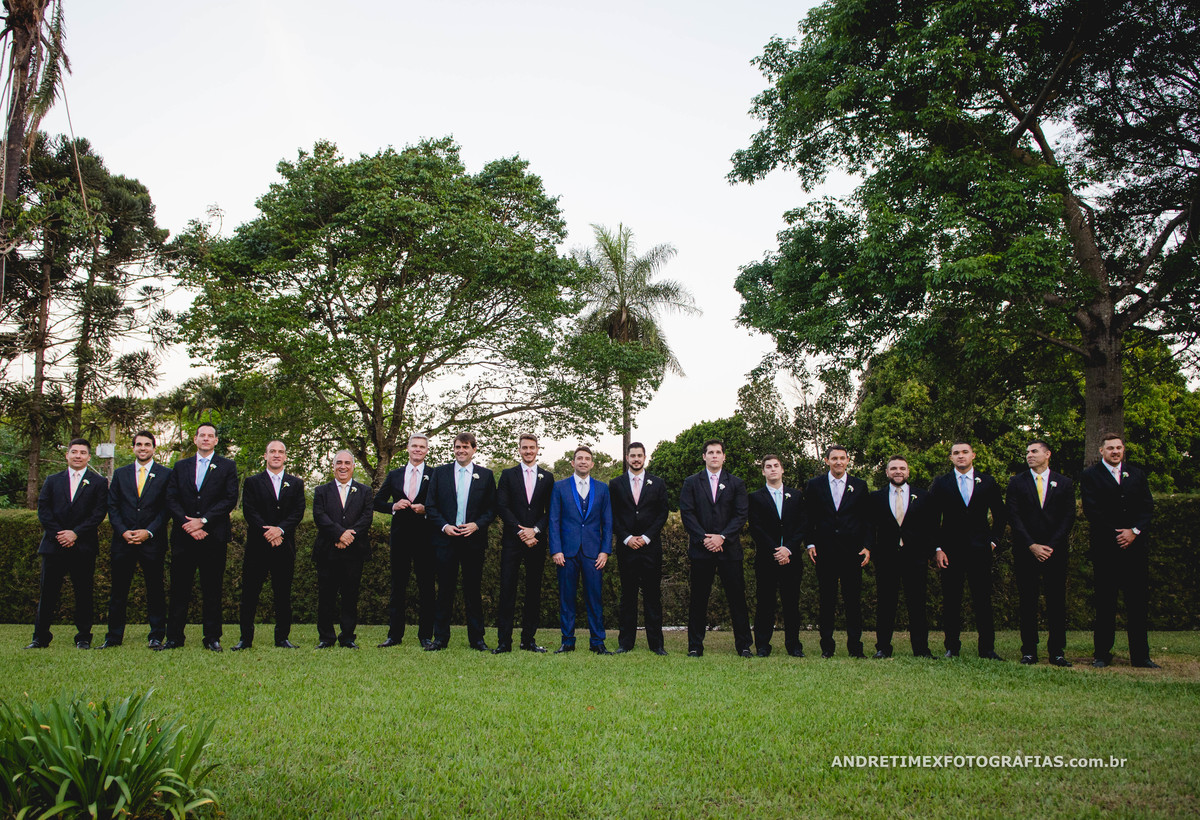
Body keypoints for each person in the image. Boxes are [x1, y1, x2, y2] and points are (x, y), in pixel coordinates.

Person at [1081, 433, 1158, 669]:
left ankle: (1140, 656)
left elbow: (1147, 507)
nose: (1115, 451)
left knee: (1137, 603)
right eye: (1110, 448)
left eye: (1119, 447)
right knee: (1105, 602)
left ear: (1123, 450)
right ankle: (1102, 654)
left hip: (1135, 549)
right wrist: (1117, 533)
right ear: (1101, 452)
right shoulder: (1090, 476)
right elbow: (1092, 510)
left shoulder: (1136, 474)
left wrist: (1133, 531)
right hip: (1107, 548)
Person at [162, 422, 239, 652]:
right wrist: (188, 524)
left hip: (213, 536)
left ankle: (212, 637)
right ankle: (174, 637)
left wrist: (204, 521)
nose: (206, 439)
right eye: (202, 435)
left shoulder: (227, 466)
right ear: (195, 439)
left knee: (212, 589)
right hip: (184, 536)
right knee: (179, 589)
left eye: (210, 436)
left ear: (216, 441)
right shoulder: (180, 466)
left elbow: (229, 499)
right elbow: (171, 498)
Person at [28, 438, 108, 649]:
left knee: (83, 593)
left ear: (88, 457)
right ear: (67, 455)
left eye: (82, 452)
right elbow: (43, 510)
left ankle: (83, 637)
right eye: (74, 452)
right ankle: (40, 637)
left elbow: (99, 513)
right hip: (53, 546)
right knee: (48, 593)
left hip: (83, 546)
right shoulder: (52, 480)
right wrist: (60, 534)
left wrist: (76, 534)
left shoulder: (98, 482)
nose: (78, 455)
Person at [930, 441, 1006, 660]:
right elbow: (933, 519)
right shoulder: (941, 483)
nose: (960, 456)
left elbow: (1000, 515)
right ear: (951, 458)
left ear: (973, 455)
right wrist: (937, 548)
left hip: (979, 550)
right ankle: (952, 647)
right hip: (950, 552)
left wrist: (993, 541)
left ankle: (987, 649)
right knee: (951, 601)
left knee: (983, 600)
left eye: (964, 452)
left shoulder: (988, 482)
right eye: (956, 453)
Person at [1007, 440, 1076, 667]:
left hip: (1054, 552)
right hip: (1027, 552)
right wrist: (1032, 545)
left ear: (1047, 454)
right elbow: (1014, 517)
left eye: (1034, 451)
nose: (1029, 455)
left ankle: (1057, 651)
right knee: (1028, 602)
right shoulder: (1017, 482)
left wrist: (1051, 545)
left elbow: (1068, 517)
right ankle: (1029, 651)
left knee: (1056, 602)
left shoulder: (1064, 483)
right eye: (1027, 452)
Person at [680, 439, 751, 657]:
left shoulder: (736, 483)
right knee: (699, 599)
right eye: (710, 452)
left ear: (724, 457)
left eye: (718, 452)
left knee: (737, 598)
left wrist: (722, 537)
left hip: (729, 551)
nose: (714, 456)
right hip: (701, 550)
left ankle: (744, 646)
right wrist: (705, 539)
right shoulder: (691, 482)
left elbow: (741, 515)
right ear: (704, 456)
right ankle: (695, 645)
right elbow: (687, 513)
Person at [425, 433, 496, 651]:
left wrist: (476, 525)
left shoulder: (485, 475)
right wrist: (445, 526)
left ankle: (477, 639)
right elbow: (430, 506)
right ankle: (440, 639)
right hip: (446, 541)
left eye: (465, 447)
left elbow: (492, 509)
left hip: (473, 541)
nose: (461, 450)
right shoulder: (440, 473)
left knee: (473, 591)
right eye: (457, 447)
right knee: (445, 590)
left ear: (474, 449)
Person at [233, 440, 306, 650]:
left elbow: (297, 512)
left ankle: (282, 638)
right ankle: (245, 639)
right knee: (249, 595)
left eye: (280, 452)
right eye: (272, 451)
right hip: (258, 547)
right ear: (265, 456)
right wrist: (269, 532)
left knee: (282, 594)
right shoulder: (253, 482)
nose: (276, 455)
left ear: (285, 457)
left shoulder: (296, 483)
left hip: (284, 546)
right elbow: (250, 511)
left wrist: (280, 530)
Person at [101, 431, 168, 649]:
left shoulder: (165, 474)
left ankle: (156, 636)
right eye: (139, 444)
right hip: (124, 542)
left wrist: (148, 532)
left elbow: (166, 508)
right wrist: (123, 531)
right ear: (133, 448)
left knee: (155, 591)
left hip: (152, 542)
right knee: (119, 592)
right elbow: (113, 506)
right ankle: (113, 637)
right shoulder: (120, 474)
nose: (143, 448)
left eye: (147, 444)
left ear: (154, 448)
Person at [805, 444, 871, 658]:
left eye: (842, 458)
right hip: (825, 551)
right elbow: (809, 518)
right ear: (827, 461)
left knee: (853, 601)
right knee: (827, 600)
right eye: (834, 458)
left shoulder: (859, 486)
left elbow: (866, 520)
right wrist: (810, 543)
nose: (838, 462)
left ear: (848, 460)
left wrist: (867, 546)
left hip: (852, 552)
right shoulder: (814, 485)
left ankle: (855, 647)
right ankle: (827, 647)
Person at [548, 446, 613, 654]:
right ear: (572, 463)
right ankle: (567, 641)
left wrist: (605, 551)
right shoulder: (560, 487)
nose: (583, 462)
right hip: (566, 552)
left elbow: (608, 523)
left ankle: (597, 642)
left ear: (592, 464)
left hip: (594, 553)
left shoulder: (602, 488)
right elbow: (554, 520)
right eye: (579, 458)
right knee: (567, 598)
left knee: (594, 598)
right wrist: (555, 549)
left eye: (587, 459)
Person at [374, 434, 436, 648]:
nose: (418, 449)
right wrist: (393, 505)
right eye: (414, 446)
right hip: (400, 538)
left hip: (426, 540)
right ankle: (394, 635)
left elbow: (444, 504)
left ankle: (426, 636)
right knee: (398, 587)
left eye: (422, 447)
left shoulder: (434, 474)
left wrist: (426, 509)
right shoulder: (394, 474)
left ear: (427, 450)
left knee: (426, 588)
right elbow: (377, 502)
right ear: (408, 449)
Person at [493, 434, 554, 654]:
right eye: (524, 447)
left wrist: (535, 531)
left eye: (532, 447)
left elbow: (550, 511)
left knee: (533, 591)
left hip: (536, 542)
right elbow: (502, 506)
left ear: (538, 449)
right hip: (513, 540)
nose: (528, 451)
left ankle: (528, 640)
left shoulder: (547, 477)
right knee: (507, 590)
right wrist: (521, 531)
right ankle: (504, 642)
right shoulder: (508, 475)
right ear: (519, 450)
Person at [869, 455, 933, 658]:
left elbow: (930, 528)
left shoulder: (923, 496)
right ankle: (883, 648)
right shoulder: (876, 498)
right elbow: (870, 527)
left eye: (902, 468)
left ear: (908, 472)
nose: (898, 471)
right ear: (887, 472)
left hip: (915, 558)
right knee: (886, 604)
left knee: (917, 604)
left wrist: (928, 553)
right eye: (894, 468)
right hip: (887, 558)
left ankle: (921, 649)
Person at [610, 441, 669, 655]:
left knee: (652, 596)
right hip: (627, 550)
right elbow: (613, 515)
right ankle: (625, 643)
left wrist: (645, 537)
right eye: (632, 455)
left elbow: (662, 514)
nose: (636, 459)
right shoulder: (615, 484)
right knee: (628, 597)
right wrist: (626, 538)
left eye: (639, 455)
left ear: (645, 458)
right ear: (627, 458)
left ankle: (657, 644)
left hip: (650, 549)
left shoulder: (658, 483)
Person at [311, 450, 374, 649]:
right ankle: (326, 637)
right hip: (327, 551)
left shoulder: (364, 491)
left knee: (350, 596)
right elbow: (319, 516)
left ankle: (347, 637)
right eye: (339, 462)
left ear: (353, 466)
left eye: (347, 463)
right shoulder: (322, 490)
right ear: (333, 466)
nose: (343, 466)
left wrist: (349, 535)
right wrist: (339, 534)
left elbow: (366, 518)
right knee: (326, 596)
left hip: (354, 552)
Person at [749, 454, 806, 658]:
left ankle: (794, 645)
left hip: (791, 558)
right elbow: (756, 528)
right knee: (765, 603)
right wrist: (775, 550)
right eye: (768, 466)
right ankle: (763, 645)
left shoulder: (796, 496)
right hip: (767, 559)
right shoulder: (755, 497)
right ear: (763, 471)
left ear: (782, 470)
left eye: (776, 466)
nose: (772, 469)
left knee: (791, 603)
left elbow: (802, 526)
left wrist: (788, 549)